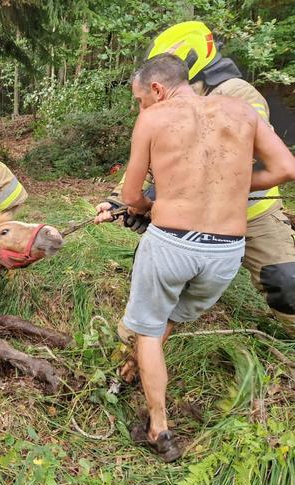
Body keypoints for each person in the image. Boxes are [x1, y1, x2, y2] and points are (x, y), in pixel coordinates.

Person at [97, 54, 295, 462]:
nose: (140, 107)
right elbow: (285, 168)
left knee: (148, 332)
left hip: (172, 243)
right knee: (166, 317)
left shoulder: (155, 118)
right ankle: (132, 370)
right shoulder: (242, 111)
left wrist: (153, 204)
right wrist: (232, 185)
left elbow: (133, 197)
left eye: (139, 99)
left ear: (156, 89)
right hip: (224, 253)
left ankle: (159, 427)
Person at [99, 21, 295, 336]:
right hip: (194, 216)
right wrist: (120, 201)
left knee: (287, 286)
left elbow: (245, 161)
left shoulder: (238, 96)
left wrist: (159, 195)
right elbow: (154, 157)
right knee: (156, 268)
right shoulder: (168, 107)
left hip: (252, 211)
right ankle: (150, 335)